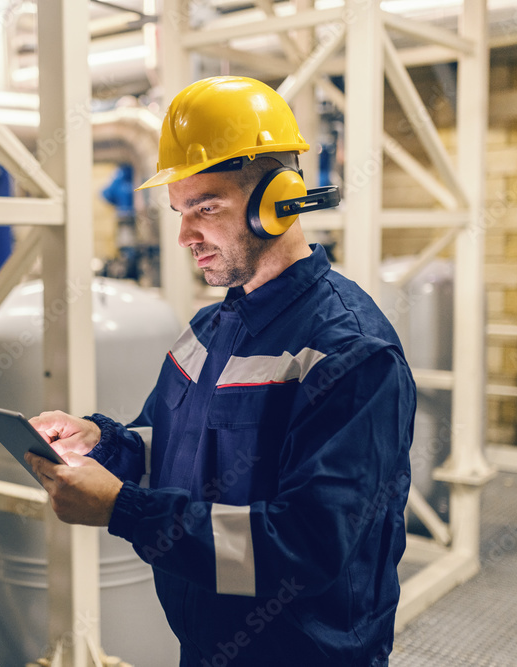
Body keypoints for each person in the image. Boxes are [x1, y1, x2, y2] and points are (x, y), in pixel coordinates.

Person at [25, 76, 415, 667]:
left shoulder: (350, 353)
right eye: (180, 211)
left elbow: (308, 545)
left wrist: (122, 509)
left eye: (205, 209)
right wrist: (101, 443)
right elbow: (166, 449)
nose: (184, 236)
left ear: (277, 202)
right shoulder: (207, 331)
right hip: (205, 647)